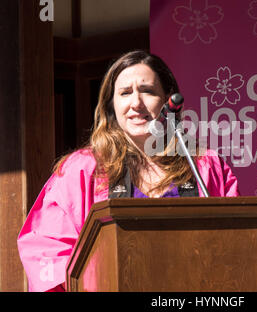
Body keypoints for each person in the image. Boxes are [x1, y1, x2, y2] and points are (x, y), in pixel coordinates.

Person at [17, 50, 240, 292]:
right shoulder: (82, 169)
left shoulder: (205, 165)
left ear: (168, 100)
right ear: (111, 105)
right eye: (125, 93)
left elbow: (237, 241)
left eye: (147, 91)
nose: (136, 103)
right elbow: (48, 250)